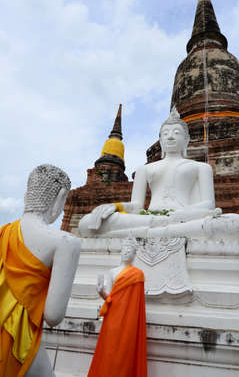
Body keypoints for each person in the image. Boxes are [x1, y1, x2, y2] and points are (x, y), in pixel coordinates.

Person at [79, 107, 220, 238]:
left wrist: (180, 215)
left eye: (176, 133)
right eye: (165, 134)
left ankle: (148, 232)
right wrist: (115, 206)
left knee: (236, 223)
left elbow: (209, 204)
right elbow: (136, 206)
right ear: (160, 140)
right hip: (147, 218)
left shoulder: (201, 167)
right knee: (87, 222)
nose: (170, 137)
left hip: (183, 218)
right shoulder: (145, 169)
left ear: (187, 140)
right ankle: (161, 230)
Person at [0, 164, 81, 377]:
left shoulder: (3, 232)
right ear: (60, 199)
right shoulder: (65, 243)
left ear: (27, 194)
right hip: (18, 337)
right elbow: (53, 315)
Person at [87, 240, 147, 377]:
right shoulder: (112, 272)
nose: (126, 252)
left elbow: (137, 303)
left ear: (134, 255)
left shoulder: (138, 274)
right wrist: (101, 291)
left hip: (129, 319)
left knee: (125, 351)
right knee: (109, 350)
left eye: (130, 251)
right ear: (120, 252)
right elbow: (109, 297)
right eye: (124, 250)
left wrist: (133, 320)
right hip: (112, 316)